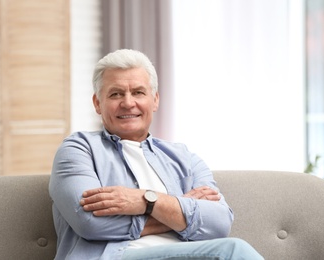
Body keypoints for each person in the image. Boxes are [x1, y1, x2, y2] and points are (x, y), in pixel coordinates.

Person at [49, 49, 263, 260]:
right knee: (233, 251)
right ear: (97, 103)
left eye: (138, 92)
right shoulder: (78, 149)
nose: (128, 102)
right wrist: (176, 209)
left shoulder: (184, 157)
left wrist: (145, 201)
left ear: (155, 100)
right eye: (115, 94)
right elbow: (89, 223)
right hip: (116, 256)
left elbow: (219, 223)